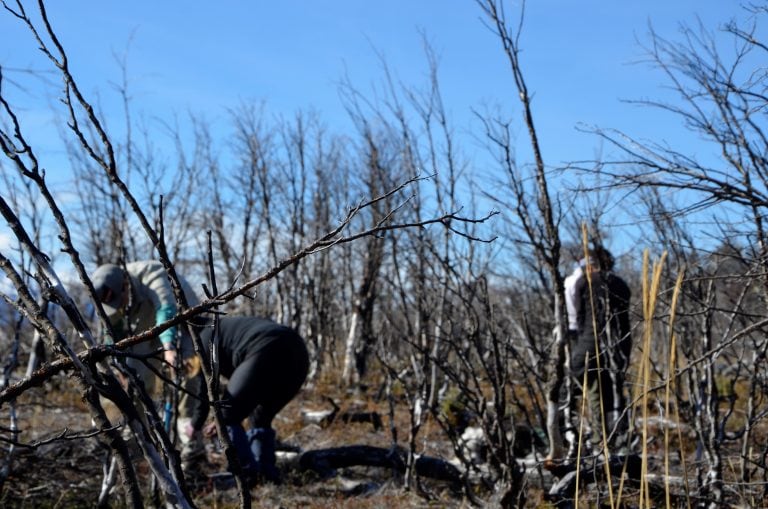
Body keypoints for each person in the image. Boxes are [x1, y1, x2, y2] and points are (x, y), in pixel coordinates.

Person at [91, 260, 203, 459]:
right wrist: (117, 365)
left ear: (126, 285)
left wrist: (169, 348)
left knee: (187, 372)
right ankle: (134, 442)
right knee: (135, 379)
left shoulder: (153, 274)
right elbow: (113, 329)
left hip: (184, 320)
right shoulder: (112, 297)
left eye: (120, 298)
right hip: (145, 322)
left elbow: (166, 310)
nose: (119, 305)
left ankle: (190, 448)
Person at [183, 316, 309, 484]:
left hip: (265, 347)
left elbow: (204, 388)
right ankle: (267, 475)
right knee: (260, 416)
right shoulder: (225, 325)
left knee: (227, 417)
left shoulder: (205, 337)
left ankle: (245, 474)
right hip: (298, 351)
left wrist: (195, 424)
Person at [564, 246, 632, 457]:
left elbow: (574, 317)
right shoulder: (620, 284)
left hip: (589, 345)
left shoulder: (585, 282)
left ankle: (598, 442)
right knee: (612, 391)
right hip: (619, 347)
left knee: (593, 392)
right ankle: (614, 440)